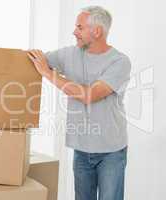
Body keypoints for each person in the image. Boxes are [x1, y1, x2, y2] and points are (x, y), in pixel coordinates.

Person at [28, 6, 131, 200]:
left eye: (80, 27)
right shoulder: (70, 54)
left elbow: (89, 95)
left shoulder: (119, 62)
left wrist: (48, 74)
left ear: (97, 31)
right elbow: (34, 60)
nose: (74, 32)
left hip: (111, 152)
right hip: (82, 150)